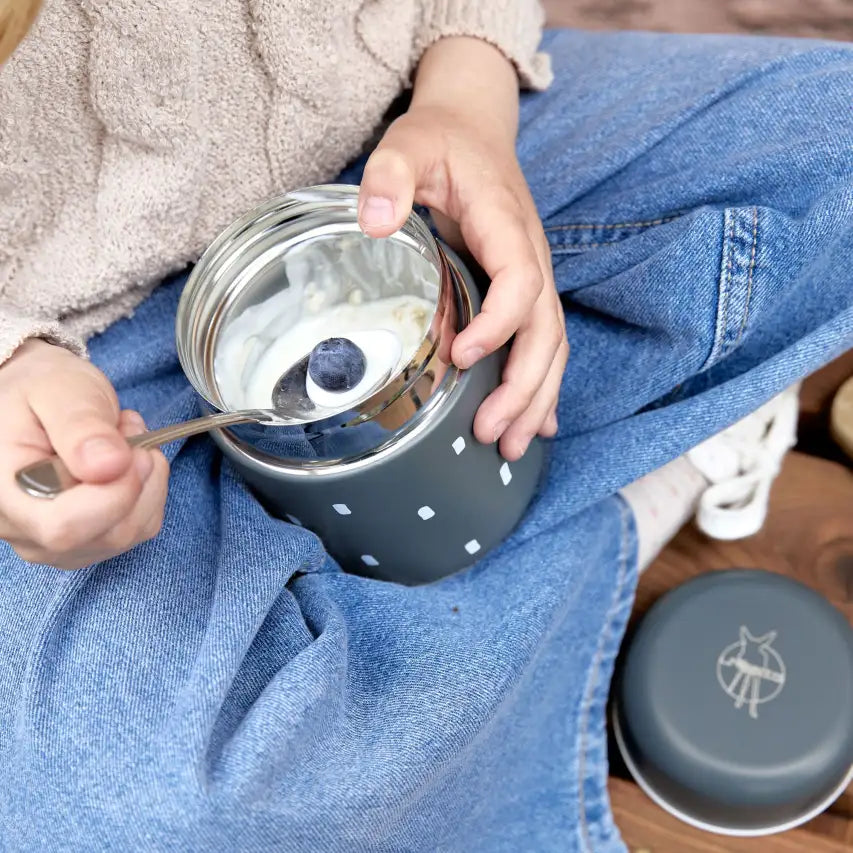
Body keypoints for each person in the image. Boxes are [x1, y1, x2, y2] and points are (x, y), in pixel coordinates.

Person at [0, 1, 850, 849]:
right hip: (84, 345)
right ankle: (632, 482)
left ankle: (418, 639)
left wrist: (468, 90)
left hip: (401, 152)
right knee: (149, 811)